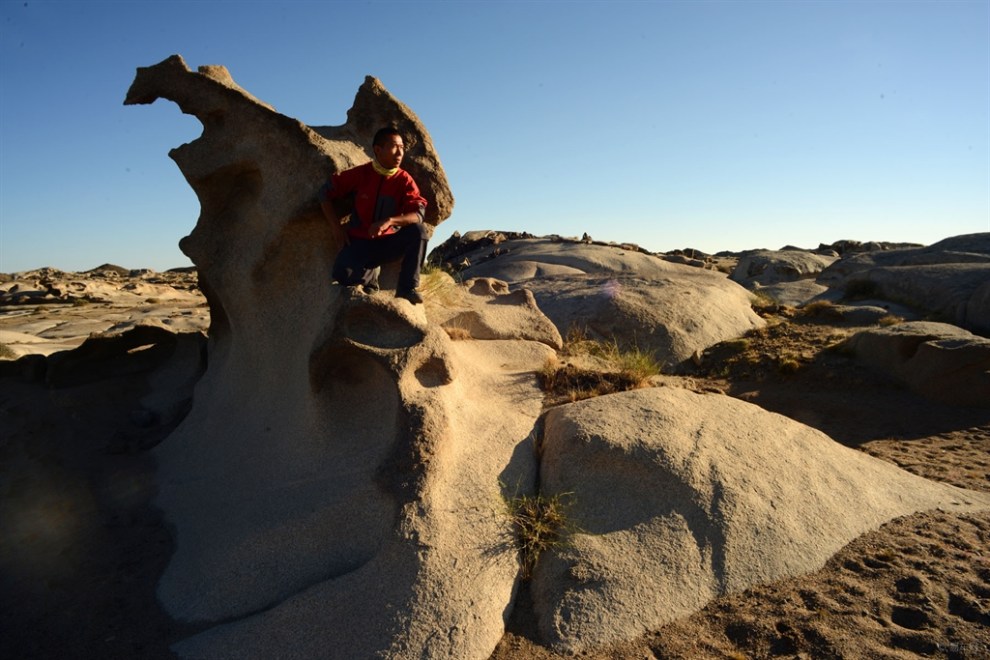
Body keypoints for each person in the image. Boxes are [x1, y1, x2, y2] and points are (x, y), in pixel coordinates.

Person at [319, 126, 429, 304]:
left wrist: (390, 220)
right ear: (378, 149)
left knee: (419, 231)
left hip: (388, 242)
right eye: (394, 146)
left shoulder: (404, 180)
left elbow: (418, 214)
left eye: (402, 147)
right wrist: (336, 228)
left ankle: (407, 288)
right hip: (359, 241)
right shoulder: (360, 174)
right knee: (342, 275)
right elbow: (324, 193)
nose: (400, 152)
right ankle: (370, 276)